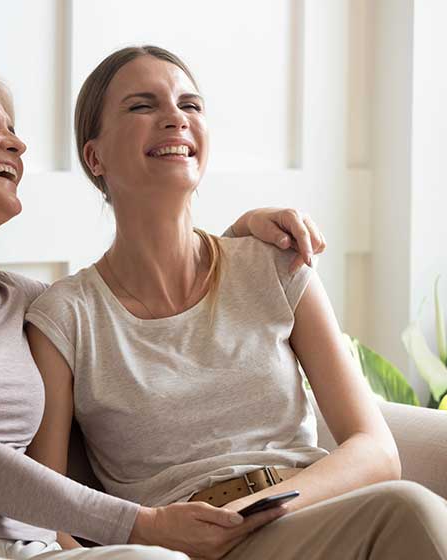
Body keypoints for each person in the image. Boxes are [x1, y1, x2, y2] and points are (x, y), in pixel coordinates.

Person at [0, 64, 328, 560]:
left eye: (13, 128)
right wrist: (143, 524)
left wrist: (241, 235)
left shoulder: (29, 303)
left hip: (20, 549)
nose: (18, 142)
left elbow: (133, 288)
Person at [24, 46, 447, 560]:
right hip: (182, 546)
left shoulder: (274, 266)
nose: (175, 118)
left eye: (190, 105)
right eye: (142, 106)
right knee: (410, 512)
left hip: (309, 514)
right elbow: (46, 506)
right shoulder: (65, 318)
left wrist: (258, 510)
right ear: (95, 157)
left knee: (406, 508)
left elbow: (376, 450)